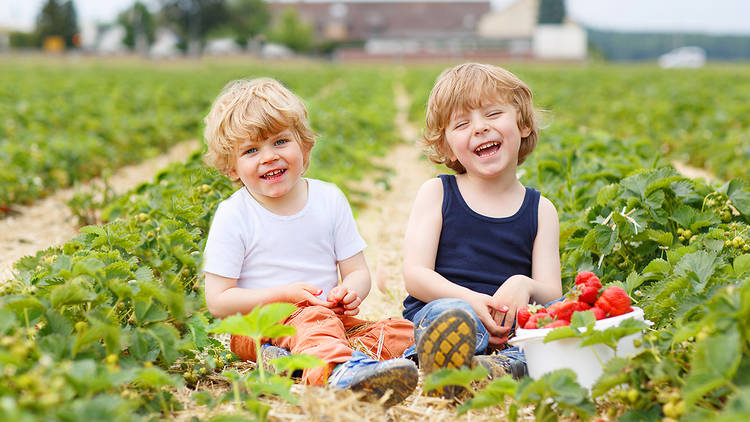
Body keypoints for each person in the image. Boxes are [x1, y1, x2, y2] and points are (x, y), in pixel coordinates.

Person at [201, 77, 417, 407]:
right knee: (312, 321)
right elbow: (218, 301)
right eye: (251, 150)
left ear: (303, 145)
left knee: (400, 331)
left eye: (280, 142)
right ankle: (341, 374)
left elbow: (357, 272)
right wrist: (285, 296)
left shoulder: (329, 199)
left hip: (331, 320)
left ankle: (293, 361)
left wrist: (349, 293)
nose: (268, 157)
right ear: (231, 167)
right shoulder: (234, 214)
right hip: (258, 326)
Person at [401, 63, 563, 396]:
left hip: (510, 323)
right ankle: (445, 361)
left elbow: (552, 293)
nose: (480, 128)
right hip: (448, 307)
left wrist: (523, 283)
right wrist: (471, 300)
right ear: (446, 146)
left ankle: (489, 368)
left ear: (523, 124)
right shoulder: (438, 194)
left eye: (492, 114)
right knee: (451, 319)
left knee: (548, 338)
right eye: (462, 123)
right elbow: (416, 275)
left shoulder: (541, 210)